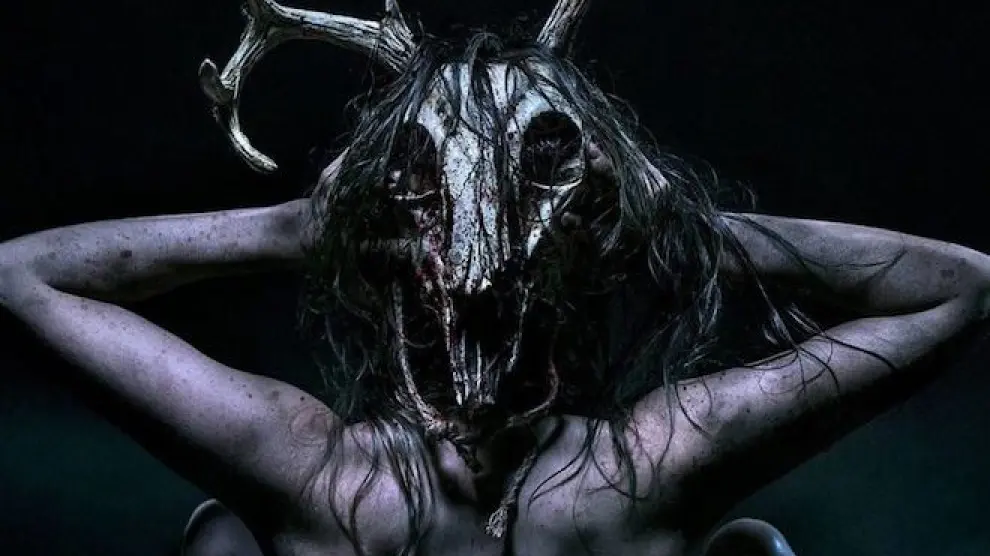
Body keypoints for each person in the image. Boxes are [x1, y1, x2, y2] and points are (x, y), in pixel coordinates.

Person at [1, 0, 986, 555]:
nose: (480, 263)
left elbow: (22, 275)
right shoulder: (652, 467)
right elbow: (959, 286)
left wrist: (287, 233)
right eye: (433, 186)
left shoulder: (313, 473)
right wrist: (683, 227)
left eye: (537, 173)